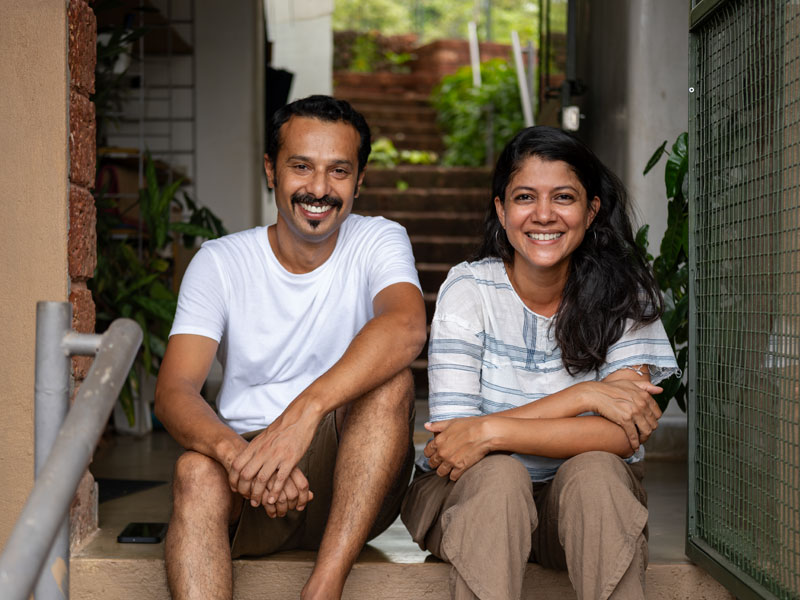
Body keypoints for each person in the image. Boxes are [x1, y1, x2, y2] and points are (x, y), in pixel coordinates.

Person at [154, 94, 427, 600]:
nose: (319, 189)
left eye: (339, 171)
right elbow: (174, 391)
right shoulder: (220, 262)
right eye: (301, 166)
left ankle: (323, 588)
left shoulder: (379, 240)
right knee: (194, 471)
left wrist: (301, 419)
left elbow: (407, 326)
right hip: (248, 479)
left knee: (391, 381)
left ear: (360, 180)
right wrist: (244, 460)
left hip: (351, 478)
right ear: (271, 170)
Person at [401, 126, 679, 600]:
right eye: (525, 196)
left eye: (564, 197)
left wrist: (490, 431)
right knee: (498, 478)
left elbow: (621, 434)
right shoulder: (469, 290)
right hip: (469, 499)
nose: (544, 215)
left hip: (575, 514)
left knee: (596, 473)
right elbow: (453, 444)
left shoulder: (624, 292)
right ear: (501, 210)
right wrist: (584, 396)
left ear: (591, 210)